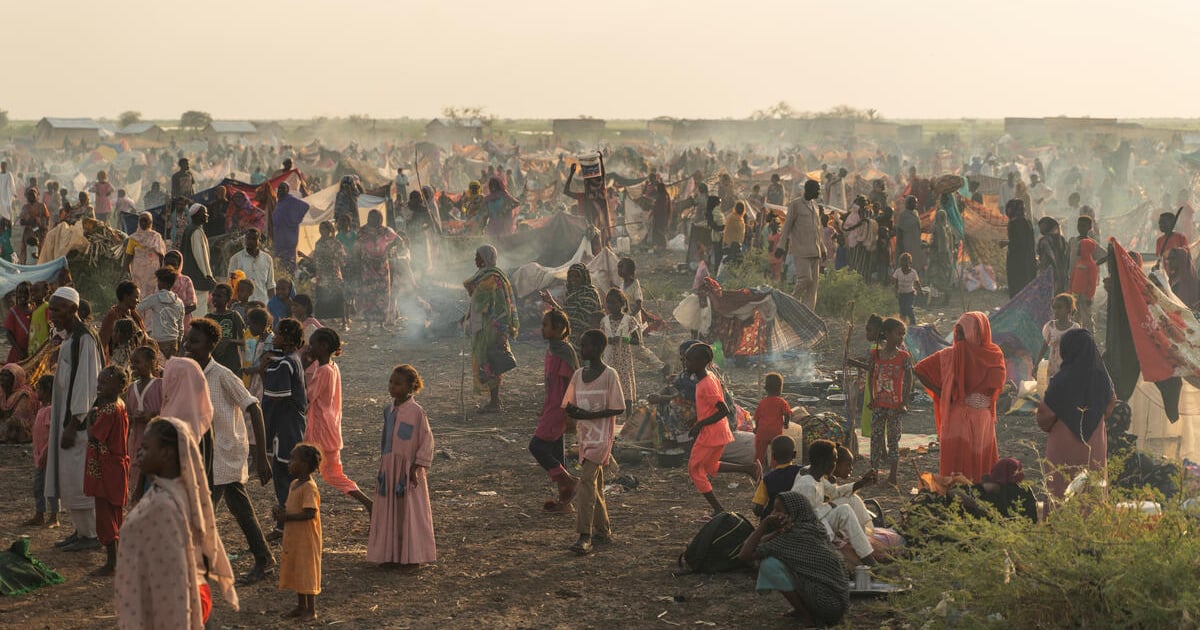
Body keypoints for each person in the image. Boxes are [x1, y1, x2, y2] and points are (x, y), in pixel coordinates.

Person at [115, 417, 240, 629]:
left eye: (146, 447)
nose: (139, 452)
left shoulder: (165, 507)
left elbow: (173, 580)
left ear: (166, 453)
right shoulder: (171, 493)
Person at [914, 312, 1004, 483]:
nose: (960, 338)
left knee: (968, 469)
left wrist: (943, 391)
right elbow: (919, 369)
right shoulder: (990, 356)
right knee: (966, 471)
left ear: (977, 332)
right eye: (958, 333)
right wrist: (941, 392)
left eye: (964, 333)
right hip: (966, 418)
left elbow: (920, 369)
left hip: (975, 419)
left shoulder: (987, 354)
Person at [46, 286, 104, 552]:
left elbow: (87, 384)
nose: (52, 314)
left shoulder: (85, 339)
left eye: (57, 309)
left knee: (79, 477)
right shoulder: (70, 337)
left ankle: (91, 534)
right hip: (66, 419)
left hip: (77, 423)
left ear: (73, 309)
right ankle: (80, 531)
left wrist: (73, 423)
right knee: (69, 477)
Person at [737, 491, 850, 626]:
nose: (772, 514)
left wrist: (764, 524)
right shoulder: (814, 527)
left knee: (769, 564)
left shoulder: (792, 538)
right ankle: (804, 609)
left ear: (792, 514)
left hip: (825, 605)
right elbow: (757, 544)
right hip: (837, 604)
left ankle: (806, 616)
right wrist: (777, 531)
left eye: (778, 510)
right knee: (791, 567)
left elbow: (744, 554)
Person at [366, 364, 437, 567]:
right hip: (389, 469)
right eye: (391, 382)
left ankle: (410, 556)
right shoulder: (388, 410)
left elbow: (426, 441)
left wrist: (415, 468)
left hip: (408, 471)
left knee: (408, 512)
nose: (392, 387)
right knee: (388, 511)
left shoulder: (416, 412)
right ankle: (389, 555)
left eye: (397, 384)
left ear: (411, 387)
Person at [1038, 329, 1115, 513]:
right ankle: (1092, 535)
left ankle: (1060, 531)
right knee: (1092, 491)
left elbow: (1045, 415)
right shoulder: (1103, 379)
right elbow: (1110, 405)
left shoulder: (1061, 380)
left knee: (1060, 488)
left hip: (1062, 443)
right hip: (1094, 443)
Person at [562, 330, 624, 555]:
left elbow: (619, 407)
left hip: (601, 437)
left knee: (586, 482)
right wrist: (575, 412)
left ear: (598, 348)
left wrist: (589, 415)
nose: (581, 349)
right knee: (594, 484)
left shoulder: (610, 375)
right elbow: (568, 403)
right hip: (584, 436)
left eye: (585, 346)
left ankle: (584, 535)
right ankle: (603, 530)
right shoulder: (579, 374)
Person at [686, 342, 759, 514]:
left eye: (690, 361)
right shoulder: (709, 376)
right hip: (718, 431)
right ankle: (748, 468)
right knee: (710, 466)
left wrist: (700, 424)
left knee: (695, 470)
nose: (686, 364)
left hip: (711, 433)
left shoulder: (707, 383)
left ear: (702, 361)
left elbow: (723, 410)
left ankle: (718, 509)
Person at [305, 328, 372, 511]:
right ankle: (368, 504)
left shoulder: (324, 371)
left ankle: (306, 507)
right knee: (333, 474)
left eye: (313, 344)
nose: (310, 348)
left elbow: (308, 397)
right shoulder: (333, 367)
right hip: (330, 428)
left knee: (307, 470)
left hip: (320, 431)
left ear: (324, 346)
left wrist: (302, 367)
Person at [789, 439, 878, 565]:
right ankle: (868, 559)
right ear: (824, 462)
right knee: (844, 511)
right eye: (834, 460)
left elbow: (834, 493)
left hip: (818, 522)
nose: (835, 464)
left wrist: (861, 483)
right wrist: (829, 506)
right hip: (808, 531)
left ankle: (866, 550)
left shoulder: (817, 476)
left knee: (846, 507)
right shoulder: (807, 484)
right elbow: (806, 517)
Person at [529, 310, 580, 512]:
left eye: (546, 326)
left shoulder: (564, 352)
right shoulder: (552, 349)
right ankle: (565, 501)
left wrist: (569, 414)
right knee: (556, 453)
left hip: (560, 408)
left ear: (560, 329)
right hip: (552, 405)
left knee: (537, 446)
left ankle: (569, 480)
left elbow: (571, 384)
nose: (542, 329)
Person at [83, 365, 130, 575]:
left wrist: (92, 418)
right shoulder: (119, 405)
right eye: (99, 382)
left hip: (106, 468)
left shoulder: (110, 409)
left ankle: (112, 563)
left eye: (104, 383)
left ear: (120, 386)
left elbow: (94, 435)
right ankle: (117, 559)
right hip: (115, 466)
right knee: (114, 513)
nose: (99, 386)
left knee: (105, 515)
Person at [262, 318, 308, 526]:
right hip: (291, 424)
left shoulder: (285, 364)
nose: (274, 336)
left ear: (288, 339)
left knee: (284, 475)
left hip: (285, 427)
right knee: (286, 474)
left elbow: (276, 395)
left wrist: (263, 371)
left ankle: (286, 521)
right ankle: (286, 519)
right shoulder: (292, 359)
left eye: (278, 333)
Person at [463, 245, 519, 413]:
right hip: (484, 325)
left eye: (478, 256)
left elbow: (502, 305)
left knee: (492, 361)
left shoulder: (493, 278)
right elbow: (476, 302)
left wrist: (502, 330)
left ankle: (495, 401)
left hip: (492, 327)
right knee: (487, 362)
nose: (475, 260)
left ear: (486, 258)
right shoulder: (483, 277)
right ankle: (494, 400)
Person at [273, 443, 323, 620]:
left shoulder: (309, 487)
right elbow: (291, 507)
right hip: (294, 537)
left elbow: (309, 513)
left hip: (306, 539)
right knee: (297, 571)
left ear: (304, 464)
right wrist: (280, 512)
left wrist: (287, 518)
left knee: (307, 572)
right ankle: (301, 606)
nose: (289, 462)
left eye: (293, 459)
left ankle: (311, 610)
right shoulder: (294, 484)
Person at [867, 318, 912, 485]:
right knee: (876, 439)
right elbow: (871, 376)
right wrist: (872, 399)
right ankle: (874, 472)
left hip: (895, 406)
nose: (901, 337)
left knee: (893, 440)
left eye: (903, 334)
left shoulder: (903, 357)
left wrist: (904, 402)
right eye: (898, 333)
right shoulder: (875, 354)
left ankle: (892, 476)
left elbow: (909, 379)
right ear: (886, 333)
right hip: (879, 404)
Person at [775, 179, 826, 309]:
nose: (819, 192)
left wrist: (823, 248)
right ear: (809, 190)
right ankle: (791, 302)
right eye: (817, 190)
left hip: (815, 251)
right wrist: (781, 246)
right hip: (801, 250)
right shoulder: (795, 205)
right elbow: (787, 226)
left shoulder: (815, 206)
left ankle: (808, 314)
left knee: (813, 287)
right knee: (805, 279)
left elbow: (818, 229)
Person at [124, 347, 160, 500]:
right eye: (132, 363)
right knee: (136, 474)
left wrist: (153, 415)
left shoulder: (160, 385)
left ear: (152, 363)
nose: (134, 366)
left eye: (138, 362)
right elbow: (127, 414)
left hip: (155, 442)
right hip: (136, 440)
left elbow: (168, 411)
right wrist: (132, 418)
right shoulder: (132, 388)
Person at [355, 210, 399, 333]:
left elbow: (398, 239)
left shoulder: (385, 231)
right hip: (368, 268)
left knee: (382, 295)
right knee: (368, 295)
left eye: (377, 217)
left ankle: (381, 325)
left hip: (381, 269)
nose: (375, 219)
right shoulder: (362, 231)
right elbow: (357, 250)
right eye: (372, 217)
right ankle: (369, 325)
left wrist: (388, 249)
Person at [540, 263, 602, 349]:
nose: (573, 279)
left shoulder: (590, 293)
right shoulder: (570, 295)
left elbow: (585, 319)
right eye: (571, 276)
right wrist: (551, 302)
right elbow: (566, 317)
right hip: (570, 339)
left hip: (585, 341)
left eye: (577, 276)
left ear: (584, 277)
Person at [26, 375, 60, 527]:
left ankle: (54, 516)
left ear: (47, 391)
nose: (36, 392)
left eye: (39, 389)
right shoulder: (42, 409)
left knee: (51, 486)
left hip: (48, 455)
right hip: (39, 455)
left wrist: (47, 453)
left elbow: (53, 434)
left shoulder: (51, 410)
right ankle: (39, 513)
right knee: (38, 486)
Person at [600, 288, 639, 412]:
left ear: (622, 304)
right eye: (608, 303)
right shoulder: (604, 321)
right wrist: (607, 340)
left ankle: (628, 416)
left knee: (626, 386)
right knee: (609, 385)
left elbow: (636, 340)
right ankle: (611, 415)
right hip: (609, 357)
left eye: (613, 302)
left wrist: (622, 339)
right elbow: (600, 339)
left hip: (623, 358)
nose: (610, 306)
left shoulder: (629, 320)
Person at [751, 435, 803, 520]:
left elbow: (756, 509)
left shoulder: (767, 479)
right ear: (794, 454)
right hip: (797, 519)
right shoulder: (802, 472)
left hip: (774, 522)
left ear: (773, 456)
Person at [137, 267, 186, 358]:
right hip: (173, 341)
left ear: (160, 283)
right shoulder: (179, 302)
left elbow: (138, 308)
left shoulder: (154, 298)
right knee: (170, 368)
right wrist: (179, 341)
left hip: (158, 341)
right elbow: (181, 326)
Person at [308, 221, 348, 328]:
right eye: (320, 229)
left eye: (324, 229)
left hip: (333, 274)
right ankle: (320, 322)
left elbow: (343, 259)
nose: (321, 231)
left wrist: (334, 257)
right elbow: (316, 259)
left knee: (338, 297)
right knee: (321, 297)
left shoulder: (335, 243)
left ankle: (344, 321)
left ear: (330, 230)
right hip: (321, 275)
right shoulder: (318, 243)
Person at [1034, 293, 1082, 382]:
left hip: (1068, 368)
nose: (1056, 311)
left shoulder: (1075, 328)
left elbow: (1077, 351)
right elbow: (1044, 347)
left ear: (1068, 309)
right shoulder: (1050, 326)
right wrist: (1036, 364)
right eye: (1054, 308)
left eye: (1059, 308)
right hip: (1053, 368)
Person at [180, 204, 216, 315]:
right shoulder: (196, 231)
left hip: (190, 275)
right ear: (197, 215)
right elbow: (201, 257)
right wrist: (208, 276)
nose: (207, 216)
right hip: (198, 278)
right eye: (204, 213)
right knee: (199, 310)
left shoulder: (190, 229)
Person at [1068, 216, 1103, 330]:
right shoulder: (1073, 241)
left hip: (1086, 289)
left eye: (1083, 225)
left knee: (1086, 315)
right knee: (1074, 313)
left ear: (1089, 228)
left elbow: (1105, 255)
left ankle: (1089, 338)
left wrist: (1093, 265)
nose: (1080, 228)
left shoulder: (1090, 244)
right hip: (1074, 287)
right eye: (1079, 225)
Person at [753, 373, 792, 470]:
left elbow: (757, 418)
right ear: (780, 388)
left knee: (760, 451)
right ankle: (774, 467)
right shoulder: (781, 402)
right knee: (776, 450)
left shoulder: (762, 402)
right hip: (776, 433)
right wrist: (786, 423)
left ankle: (758, 467)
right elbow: (787, 414)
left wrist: (756, 428)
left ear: (766, 388)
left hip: (762, 432)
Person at [227, 229, 275, 305]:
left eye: (254, 239)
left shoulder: (267, 259)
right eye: (248, 238)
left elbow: (270, 285)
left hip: (262, 303)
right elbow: (231, 284)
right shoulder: (236, 259)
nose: (251, 241)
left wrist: (273, 305)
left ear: (259, 240)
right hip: (242, 304)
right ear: (245, 240)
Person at [125, 212, 167, 298]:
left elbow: (161, 256)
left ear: (150, 222)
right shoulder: (133, 238)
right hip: (138, 275)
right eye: (142, 220)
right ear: (139, 222)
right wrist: (130, 274)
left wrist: (161, 271)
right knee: (138, 296)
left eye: (146, 220)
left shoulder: (156, 237)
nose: (144, 223)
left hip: (153, 274)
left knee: (152, 296)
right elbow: (128, 257)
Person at [272, 182, 310, 273]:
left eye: (283, 188)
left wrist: (294, 220)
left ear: (287, 190)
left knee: (288, 259)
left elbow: (305, 206)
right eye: (279, 188)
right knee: (278, 258)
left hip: (289, 235)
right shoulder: (280, 201)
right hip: (279, 235)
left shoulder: (290, 200)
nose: (280, 190)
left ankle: (290, 276)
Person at [1004, 199, 1037, 298]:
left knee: (1017, 288)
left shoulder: (1014, 223)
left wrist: (1007, 243)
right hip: (1029, 259)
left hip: (1017, 262)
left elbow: (1018, 243)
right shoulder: (1028, 222)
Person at [0, 363, 36, 443]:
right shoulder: (2, 393)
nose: (1, 378)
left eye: (6, 376)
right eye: (1, 375)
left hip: (18, 429)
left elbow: (18, 418)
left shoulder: (23, 394)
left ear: (15, 378)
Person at [1037, 217, 1070, 294]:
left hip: (1048, 271)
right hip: (1061, 271)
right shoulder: (1061, 239)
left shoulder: (1044, 241)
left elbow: (1049, 256)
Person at [18, 187, 50, 264]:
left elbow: (47, 219)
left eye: (33, 194)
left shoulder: (42, 206)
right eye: (29, 195)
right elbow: (21, 221)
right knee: (27, 251)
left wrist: (37, 221)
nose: (31, 196)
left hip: (40, 232)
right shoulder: (25, 207)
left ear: (37, 195)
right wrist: (28, 221)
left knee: (40, 251)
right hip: (28, 232)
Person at [3, 281, 33, 363]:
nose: (23, 295)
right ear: (16, 294)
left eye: (26, 292)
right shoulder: (13, 312)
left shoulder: (34, 310)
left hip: (33, 351)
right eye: (20, 292)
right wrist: (19, 351)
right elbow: (9, 334)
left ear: (31, 294)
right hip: (18, 353)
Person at [895, 195, 925, 270]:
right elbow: (899, 231)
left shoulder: (915, 213)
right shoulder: (903, 215)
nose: (915, 204)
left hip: (916, 243)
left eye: (916, 203)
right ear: (907, 204)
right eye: (913, 203)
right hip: (906, 243)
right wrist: (900, 246)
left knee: (916, 264)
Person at [892, 253, 922, 326]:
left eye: (907, 261)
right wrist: (896, 293)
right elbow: (895, 284)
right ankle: (903, 325)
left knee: (908, 308)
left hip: (910, 293)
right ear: (901, 263)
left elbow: (917, 283)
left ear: (910, 262)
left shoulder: (913, 272)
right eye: (903, 261)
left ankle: (913, 323)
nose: (905, 264)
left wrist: (921, 291)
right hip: (901, 294)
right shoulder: (898, 272)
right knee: (902, 311)